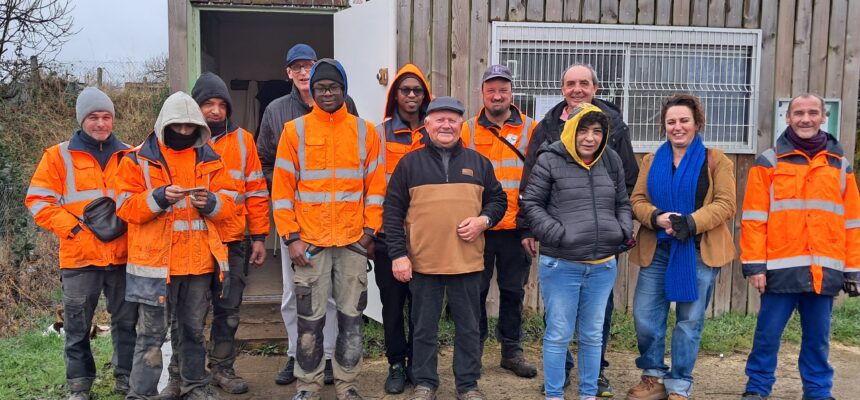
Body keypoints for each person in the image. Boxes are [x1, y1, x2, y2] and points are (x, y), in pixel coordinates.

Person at [519, 63, 639, 396]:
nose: (590, 138)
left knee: (592, 334)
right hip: (562, 263)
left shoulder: (611, 159)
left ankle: (588, 392)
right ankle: (555, 393)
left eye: (597, 131)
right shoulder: (550, 158)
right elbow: (532, 202)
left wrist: (621, 230)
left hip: (602, 265)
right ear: (571, 129)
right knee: (558, 333)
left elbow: (623, 200)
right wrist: (557, 235)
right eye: (583, 130)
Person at [271, 58, 385, 400]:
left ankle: (348, 386)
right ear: (312, 91)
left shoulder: (365, 131)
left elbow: (376, 188)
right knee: (309, 321)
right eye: (320, 87)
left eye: (333, 87)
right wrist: (291, 238)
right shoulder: (295, 131)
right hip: (309, 244)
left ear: (343, 89)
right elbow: (282, 190)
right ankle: (308, 386)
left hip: (352, 243)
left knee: (351, 320)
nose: (327, 93)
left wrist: (369, 233)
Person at [116, 91, 240, 400]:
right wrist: (158, 198)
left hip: (198, 265)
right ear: (164, 125)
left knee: (193, 332)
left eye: (189, 126)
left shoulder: (212, 159)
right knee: (150, 336)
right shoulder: (135, 159)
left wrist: (211, 202)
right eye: (177, 126)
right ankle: (141, 394)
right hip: (155, 266)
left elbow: (231, 205)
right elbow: (124, 207)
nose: (184, 132)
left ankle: (194, 387)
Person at [383, 96, 507, 400]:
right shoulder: (409, 164)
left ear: (461, 124)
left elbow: (498, 200)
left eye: (453, 120)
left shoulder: (478, 162)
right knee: (424, 328)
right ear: (427, 125)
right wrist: (398, 255)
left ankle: (468, 385)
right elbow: (392, 212)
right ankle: (425, 383)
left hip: (467, 262)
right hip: (423, 263)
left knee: (469, 327)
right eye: (440, 119)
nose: (446, 125)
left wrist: (483, 220)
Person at [156, 72, 271, 398]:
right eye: (208, 104)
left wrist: (259, 236)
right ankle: (179, 375)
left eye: (222, 104)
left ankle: (222, 369)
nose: (216, 111)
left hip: (232, 240)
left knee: (228, 311)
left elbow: (256, 191)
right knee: (185, 316)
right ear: (196, 106)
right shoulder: (177, 139)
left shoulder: (243, 140)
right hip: (191, 243)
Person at [739, 94, 860, 400]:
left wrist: (853, 270)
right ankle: (757, 389)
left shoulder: (840, 166)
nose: (806, 119)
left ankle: (818, 392)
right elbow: (753, 218)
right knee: (767, 336)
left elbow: (852, 223)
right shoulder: (769, 161)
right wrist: (755, 266)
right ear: (788, 117)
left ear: (823, 117)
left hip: (823, 271)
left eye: (813, 112)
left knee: (818, 339)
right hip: (779, 270)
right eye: (799, 113)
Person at [25, 87, 137, 400]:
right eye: (93, 117)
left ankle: (126, 379)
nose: (100, 123)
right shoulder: (57, 156)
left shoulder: (131, 154)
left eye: (106, 116)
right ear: (81, 119)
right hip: (80, 258)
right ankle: (79, 385)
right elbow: (38, 201)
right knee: (77, 327)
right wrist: (74, 230)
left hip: (123, 255)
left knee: (127, 323)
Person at [258, 44, 358, 386]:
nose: (303, 72)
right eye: (296, 67)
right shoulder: (276, 111)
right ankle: (296, 353)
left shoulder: (346, 105)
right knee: (294, 294)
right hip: (298, 225)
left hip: (339, 224)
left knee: (330, 294)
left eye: (308, 65)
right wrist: (289, 188)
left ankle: (327, 356)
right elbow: (265, 161)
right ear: (288, 73)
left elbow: (354, 158)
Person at [626, 93, 737, 400]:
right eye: (671, 121)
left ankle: (679, 384)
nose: (677, 127)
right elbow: (637, 200)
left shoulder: (717, 160)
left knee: (689, 321)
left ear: (697, 123)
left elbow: (726, 204)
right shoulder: (651, 160)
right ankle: (653, 377)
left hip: (698, 250)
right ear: (664, 126)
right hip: (658, 249)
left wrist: (690, 222)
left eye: (684, 120)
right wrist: (656, 217)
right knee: (645, 316)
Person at [461, 64, 538, 378]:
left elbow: (539, 180)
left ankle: (512, 351)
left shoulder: (532, 129)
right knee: (474, 291)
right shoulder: (467, 130)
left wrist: (530, 226)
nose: (497, 95)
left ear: (511, 93)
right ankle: (474, 351)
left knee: (513, 292)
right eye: (491, 90)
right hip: (479, 227)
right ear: (482, 93)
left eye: (503, 89)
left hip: (516, 228)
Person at [374, 63, 433, 394]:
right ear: (395, 95)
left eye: (417, 91)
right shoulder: (379, 134)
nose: (411, 95)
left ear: (425, 96)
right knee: (393, 306)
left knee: (423, 307)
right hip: (389, 236)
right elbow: (370, 186)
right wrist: (371, 231)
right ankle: (396, 363)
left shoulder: (434, 132)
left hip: (427, 237)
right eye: (405, 90)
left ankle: (419, 365)